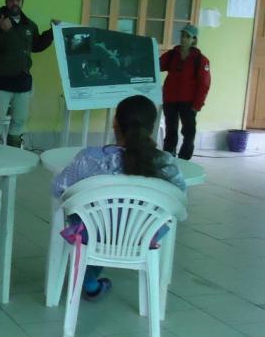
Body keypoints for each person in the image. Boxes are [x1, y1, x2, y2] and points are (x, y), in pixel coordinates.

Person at [52, 95, 186, 300]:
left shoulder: (89, 158)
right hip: (140, 236)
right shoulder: (166, 164)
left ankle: (88, 280)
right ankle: (91, 281)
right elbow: (179, 201)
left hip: (94, 234)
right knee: (119, 220)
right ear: (152, 127)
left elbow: (59, 188)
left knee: (95, 218)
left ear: (115, 123)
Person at [0, 0, 59, 147]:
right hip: (2, 80)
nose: (14, 3)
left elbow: (36, 45)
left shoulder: (29, 25)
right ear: (6, 2)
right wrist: (5, 32)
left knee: (20, 119)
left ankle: (14, 150)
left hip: (23, 80)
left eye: (18, 0)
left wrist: (52, 31)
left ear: (22, 2)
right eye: (11, 0)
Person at [159, 24, 211, 160]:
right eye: (182, 35)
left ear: (194, 39)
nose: (183, 39)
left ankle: (184, 159)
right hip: (170, 99)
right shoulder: (172, 55)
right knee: (170, 130)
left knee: (188, 132)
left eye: (187, 36)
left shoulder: (200, 60)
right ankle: (169, 157)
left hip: (188, 101)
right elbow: (156, 65)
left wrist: (197, 105)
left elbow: (204, 85)